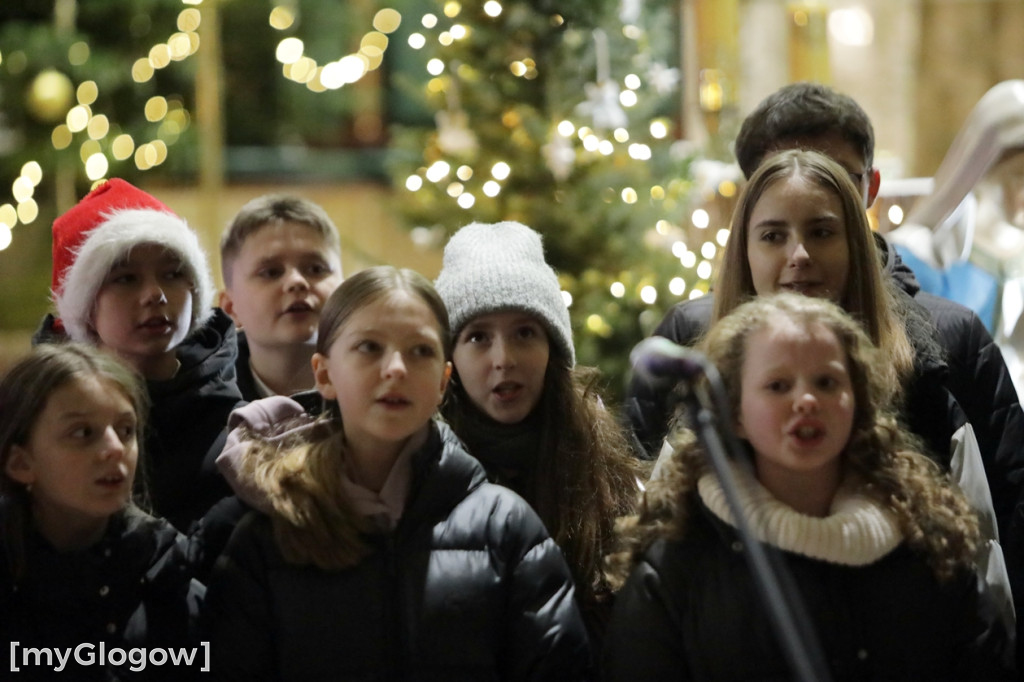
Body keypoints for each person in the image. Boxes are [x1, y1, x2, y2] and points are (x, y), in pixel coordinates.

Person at [626, 84, 1024, 582]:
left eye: (834, 189)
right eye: (775, 229)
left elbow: (1002, 514)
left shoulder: (949, 337)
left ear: (866, 191)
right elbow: (644, 505)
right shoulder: (690, 339)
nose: (799, 255)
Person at [204, 266, 590, 680]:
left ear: (443, 382)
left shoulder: (506, 528)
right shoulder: (267, 534)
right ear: (324, 374)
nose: (396, 369)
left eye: (420, 351)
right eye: (369, 347)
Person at [603, 293, 1015, 680]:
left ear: (857, 402)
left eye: (827, 382)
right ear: (736, 414)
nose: (806, 401)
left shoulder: (928, 545)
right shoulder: (676, 566)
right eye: (778, 385)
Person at [434, 220, 641, 648]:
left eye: (525, 333)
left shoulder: (602, 469)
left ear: (553, 348)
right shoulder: (422, 471)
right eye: (477, 337)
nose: (503, 359)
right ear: (448, 358)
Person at [34, 178, 244, 532]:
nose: (155, 295)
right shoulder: (39, 422)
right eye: (126, 279)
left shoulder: (237, 426)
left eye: (173, 274)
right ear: (86, 307)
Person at [0, 343, 204, 680]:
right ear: (21, 463)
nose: (114, 449)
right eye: (82, 433)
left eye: (126, 430)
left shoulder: (165, 568)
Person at [218, 194, 344, 401]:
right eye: (271, 272)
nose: (297, 281)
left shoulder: (382, 390)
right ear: (231, 307)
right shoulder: (202, 412)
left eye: (315, 268)